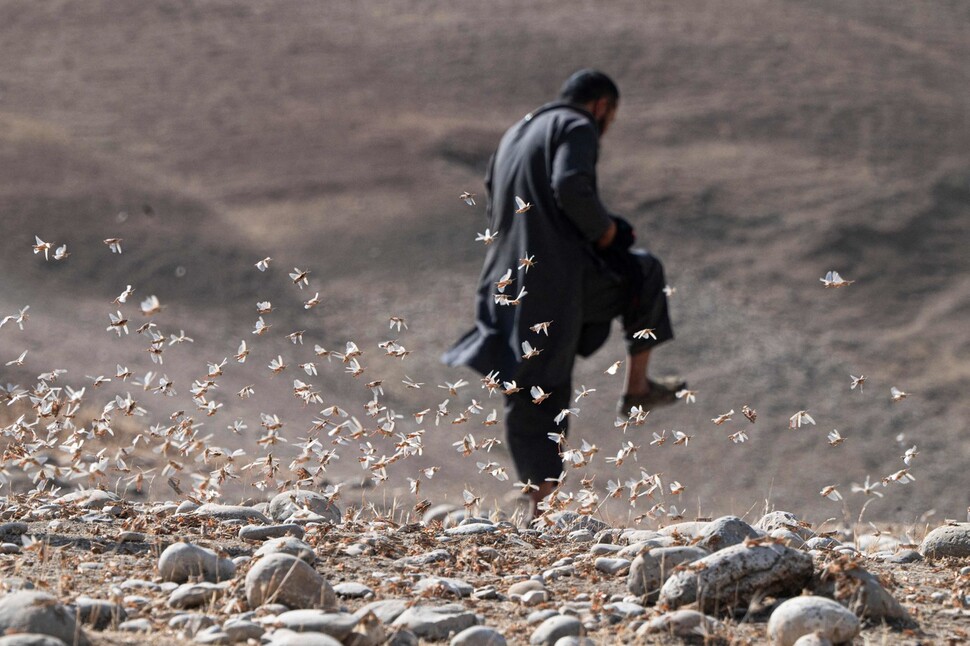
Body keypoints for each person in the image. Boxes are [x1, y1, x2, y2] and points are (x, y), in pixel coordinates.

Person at [442, 69, 684, 510]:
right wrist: (607, 232)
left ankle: (535, 499)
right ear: (602, 106)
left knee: (529, 379)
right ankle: (637, 387)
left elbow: (496, 194)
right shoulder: (576, 125)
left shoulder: (516, 132)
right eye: (610, 117)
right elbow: (570, 185)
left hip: (506, 276)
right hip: (554, 276)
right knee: (643, 271)